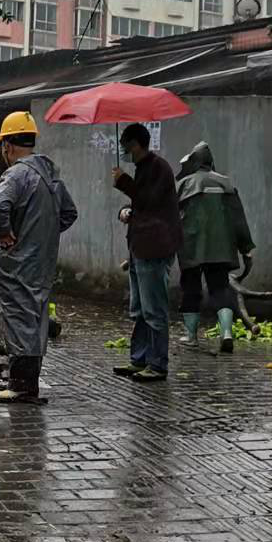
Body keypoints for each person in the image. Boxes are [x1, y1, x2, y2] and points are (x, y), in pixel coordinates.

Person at [0, 111, 78, 404]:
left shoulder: (16, 174)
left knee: (18, 318)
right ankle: (29, 383)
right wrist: (45, 235)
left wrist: (5, 234)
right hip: (42, 263)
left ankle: (22, 385)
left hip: (19, 263)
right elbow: (69, 213)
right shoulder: (51, 175)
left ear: (8, 146)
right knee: (36, 318)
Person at [112, 122, 183, 383]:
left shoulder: (158, 168)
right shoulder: (144, 168)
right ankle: (139, 358)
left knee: (154, 309)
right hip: (140, 247)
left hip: (154, 248)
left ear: (135, 144)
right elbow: (142, 205)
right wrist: (126, 210)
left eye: (126, 146)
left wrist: (124, 183)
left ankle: (157, 364)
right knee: (141, 309)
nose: (125, 152)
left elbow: (149, 200)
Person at [175, 141, 255, 352]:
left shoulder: (184, 185)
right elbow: (238, 218)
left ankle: (191, 337)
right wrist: (246, 247)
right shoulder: (226, 184)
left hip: (191, 246)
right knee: (220, 288)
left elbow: (172, 216)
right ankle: (226, 333)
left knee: (190, 289)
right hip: (221, 246)